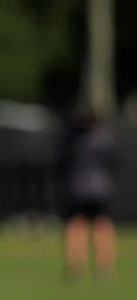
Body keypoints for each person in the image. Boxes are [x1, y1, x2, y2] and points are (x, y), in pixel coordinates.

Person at [55, 103, 117, 283]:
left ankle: (77, 268)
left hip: (77, 188)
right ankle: (104, 268)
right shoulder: (104, 138)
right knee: (100, 224)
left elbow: (60, 163)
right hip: (100, 188)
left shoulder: (70, 140)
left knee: (78, 225)